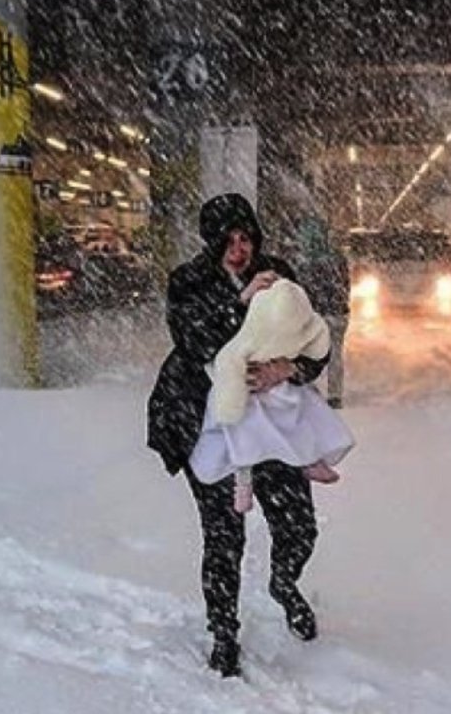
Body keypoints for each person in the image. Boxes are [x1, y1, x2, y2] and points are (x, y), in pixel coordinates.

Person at [146, 193, 326, 679]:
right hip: (208, 426)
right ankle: (223, 632)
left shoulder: (279, 274)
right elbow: (193, 338)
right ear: (211, 242)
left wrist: (291, 367)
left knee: (299, 525)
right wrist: (239, 302)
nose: (239, 249)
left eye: (246, 238)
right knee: (223, 537)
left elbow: (312, 337)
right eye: (228, 240)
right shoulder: (188, 281)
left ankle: (284, 584)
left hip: (271, 427)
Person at [189, 276, 355, 508]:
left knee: (299, 419)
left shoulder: (280, 288)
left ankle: (309, 458)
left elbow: (315, 347)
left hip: (280, 390)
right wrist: (231, 396)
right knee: (241, 439)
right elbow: (198, 342)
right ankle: (243, 483)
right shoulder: (199, 285)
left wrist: (292, 368)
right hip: (238, 394)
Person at [290, 215, 350, 408]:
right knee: (335, 354)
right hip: (337, 312)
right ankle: (335, 395)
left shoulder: (302, 261)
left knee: (306, 352)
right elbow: (345, 284)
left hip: (313, 314)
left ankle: (308, 389)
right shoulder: (337, 257)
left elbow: (299, 289)